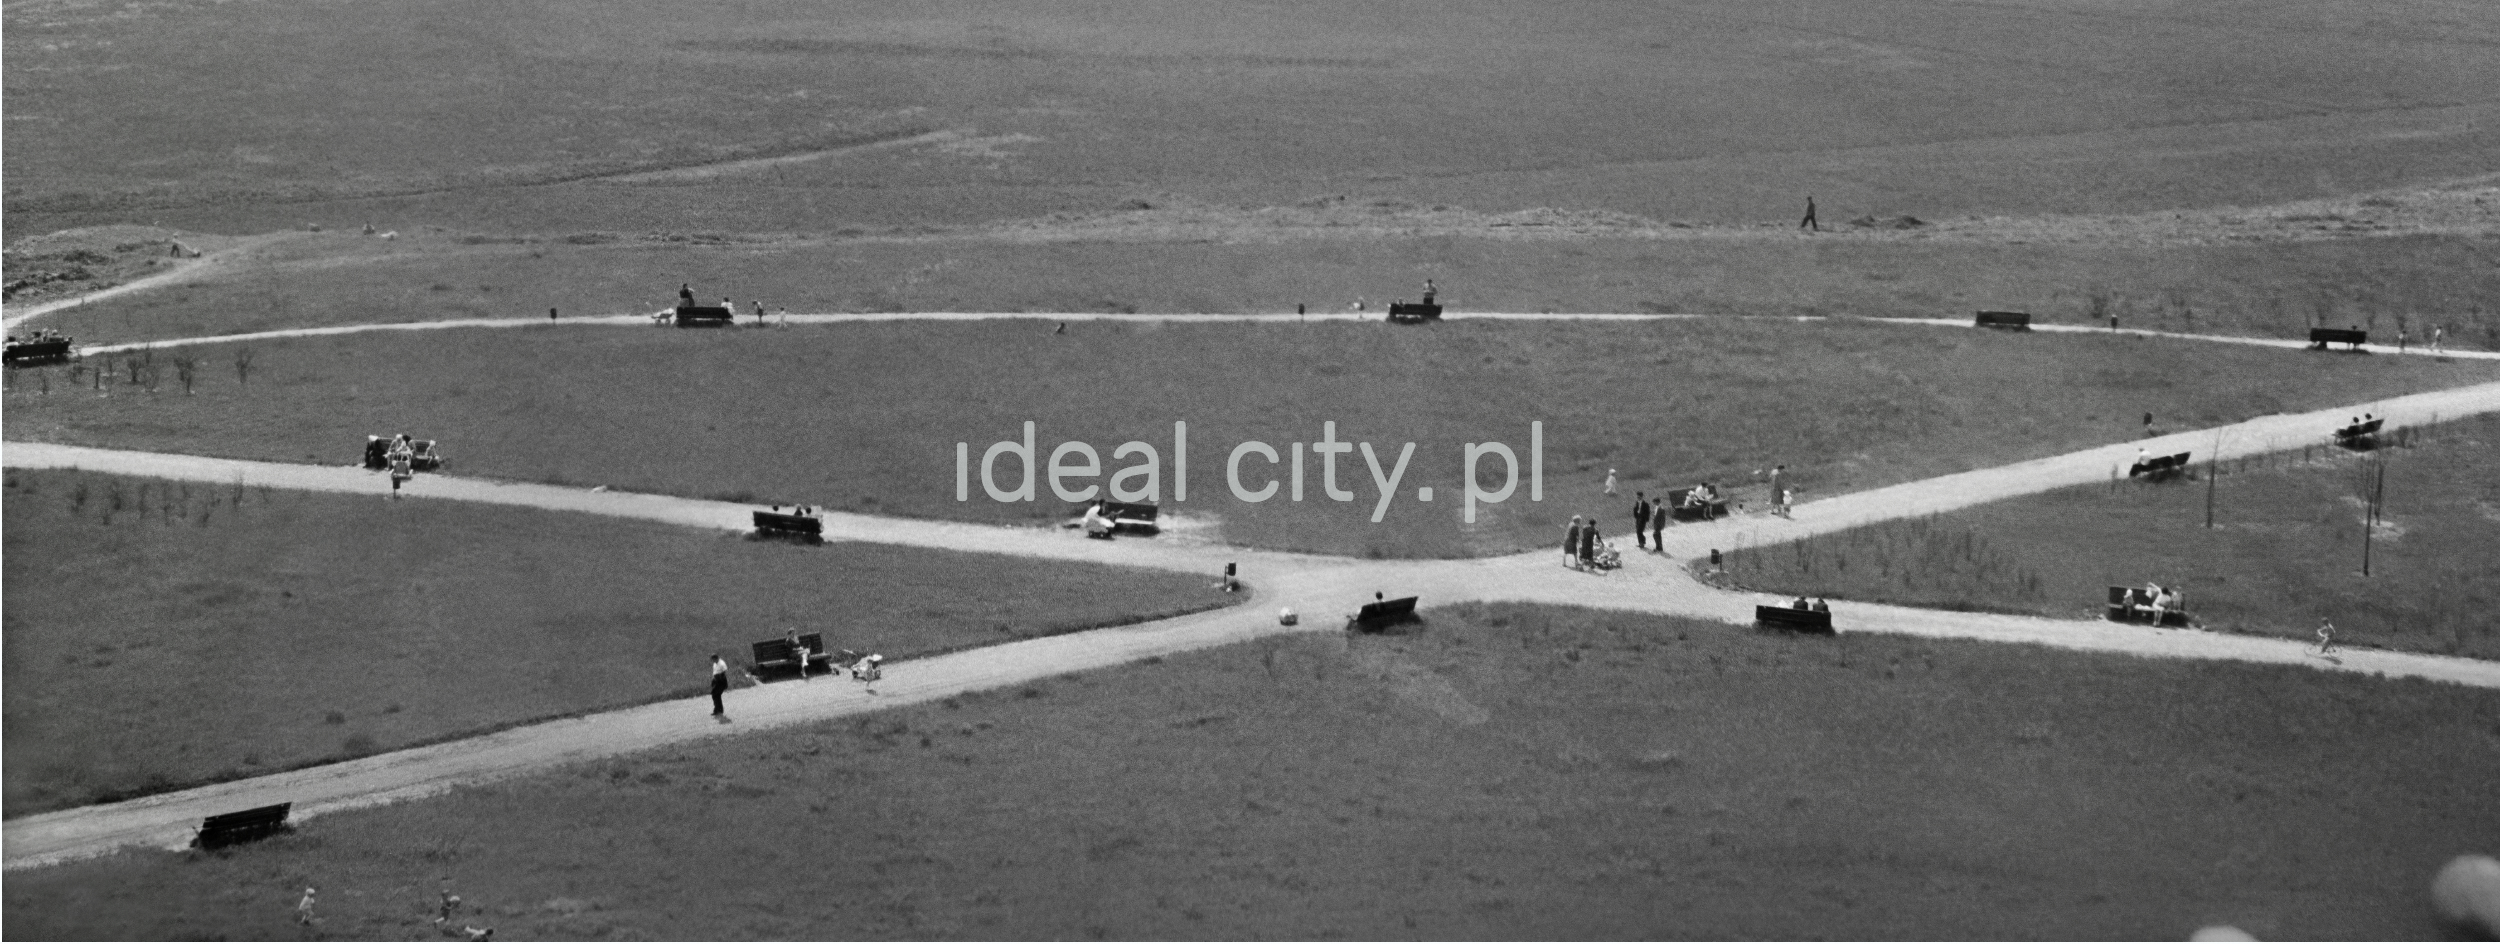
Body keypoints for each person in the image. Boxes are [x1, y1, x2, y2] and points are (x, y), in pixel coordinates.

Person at [709, 653, 730, 717]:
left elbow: (725, 671)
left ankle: (718, 710)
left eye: (713, 659)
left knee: (716, 695)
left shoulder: (721, 663)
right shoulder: (715, 663)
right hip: (716, 680)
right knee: (715, 695)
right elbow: (715, 671)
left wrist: (721, 678)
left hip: (721, 681)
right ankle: (718, 710)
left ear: (716, 658)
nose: (713, 661)